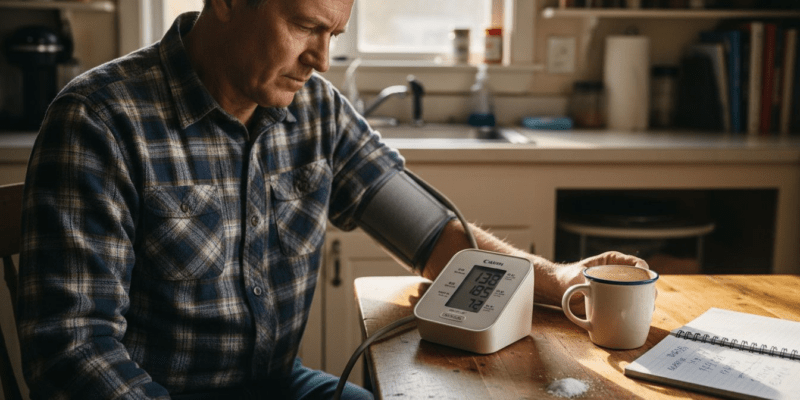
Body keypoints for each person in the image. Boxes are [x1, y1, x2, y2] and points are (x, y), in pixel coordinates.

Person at [16, 0, 647, 398]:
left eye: (334, 33)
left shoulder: (317, 110)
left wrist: (558, 277)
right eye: (304, 26)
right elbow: (72, 350)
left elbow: (435, 236)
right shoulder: (99, 120)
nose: (320, 58)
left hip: (279, 385)